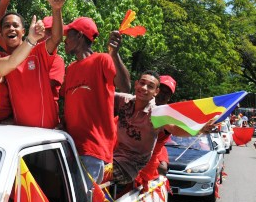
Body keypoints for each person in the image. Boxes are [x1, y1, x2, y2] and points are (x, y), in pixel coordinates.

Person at [0, 0, 66, 129]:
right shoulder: (4, 59)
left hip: (46, 133)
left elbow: (56, 38)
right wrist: (5, 0)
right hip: (20, 134)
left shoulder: (38, 51)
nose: (11, 29)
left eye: (15, 25)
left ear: (24, 32)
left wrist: (56, 9)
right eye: (6, 26)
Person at [61, 17, 131, 189]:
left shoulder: (102, 60)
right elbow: (63, 100)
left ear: (79, 36)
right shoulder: (70, 69)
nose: (65, 40)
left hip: (92, 149)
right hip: (69, 146)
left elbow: (125, 86)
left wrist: (114, 54)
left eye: (68, 35)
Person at [112, 71, 213, 186]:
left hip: (137, 167)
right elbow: (103, 93)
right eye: (142, 83)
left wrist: (200, 128)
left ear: (156, 91)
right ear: (136, 84)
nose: (144, 88)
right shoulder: (124, 101)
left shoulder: (160, 114)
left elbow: (175, 129)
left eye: (150, 86)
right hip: (114, 156)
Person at [134, 75, 176, 190]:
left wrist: (202, 128)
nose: (163, 94)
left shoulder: (167, 116)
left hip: (144, 170)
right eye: (162, 90)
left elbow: (178, 129)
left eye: (167, 93)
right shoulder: (133, 104)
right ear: (156, 90)